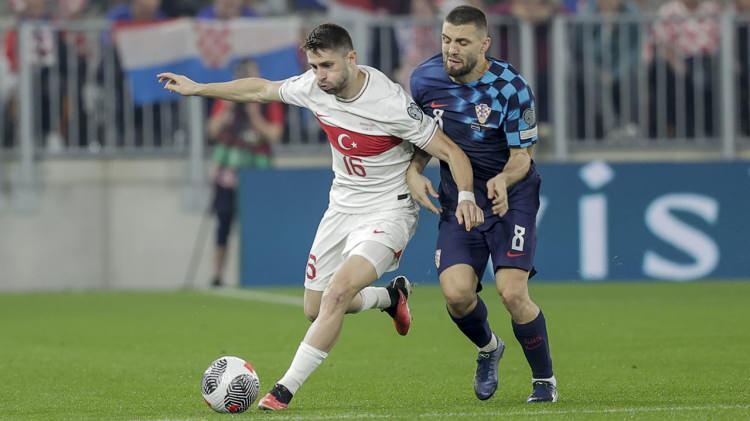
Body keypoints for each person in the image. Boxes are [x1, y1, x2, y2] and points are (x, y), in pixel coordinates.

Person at [158, 23, 484, 410]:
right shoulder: (313, 87)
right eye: (314, 67)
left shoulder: (389, 103)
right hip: (341, 208)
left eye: (327, 65)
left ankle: (283, 390)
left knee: (338, 293)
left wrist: (466, 195)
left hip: (389, 209)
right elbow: (260, 89)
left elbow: (451, 151)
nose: (320, 76)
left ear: (351, 58)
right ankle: (390, 296)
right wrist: (198, 88)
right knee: (315, 309)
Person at [407, 6, 557, 403]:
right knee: (457, 294)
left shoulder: (511, 86)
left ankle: (544, 381)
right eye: (446, 40)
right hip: (460, 200)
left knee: (512, 292)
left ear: (484, 44)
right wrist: (413, 171)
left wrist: (503, 180)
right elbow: (424, 138)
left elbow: (523, 156)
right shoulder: (424, 79)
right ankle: (490, 348)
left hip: (510, 196)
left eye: (462, 42)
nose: (451, 49)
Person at [207, 60, 284, 287]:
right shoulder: (226, 98)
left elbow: (274, 134)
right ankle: (218, 274)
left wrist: (254, 114)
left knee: (260, 223)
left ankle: (263, 271)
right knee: (223, 222)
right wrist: (228, 108)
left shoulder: (269, 100)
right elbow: (212, 130)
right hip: (228, 173)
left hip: (258, 172)